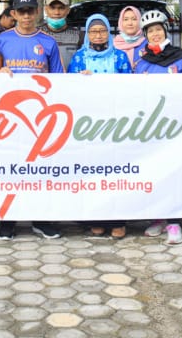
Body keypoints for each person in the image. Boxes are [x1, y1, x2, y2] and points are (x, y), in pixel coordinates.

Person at [0, 0, 64, 240]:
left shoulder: (48, 42)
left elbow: (59, 79)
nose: (27, 16)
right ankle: (7, 221)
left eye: (30, 11)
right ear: (14, 14)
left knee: (39, 168)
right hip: (10, 115)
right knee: (10, 165)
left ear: (37, 12)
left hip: (39, 116)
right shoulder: (2, 40)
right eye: (21, 11)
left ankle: (40, 220)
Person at [68, 13, 132, 240]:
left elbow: (130, 86)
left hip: (115, 122)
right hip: (89, 123)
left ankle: (118, 220)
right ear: (87, 34)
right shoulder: (79, 58)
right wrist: (81, 79)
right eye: (93, 31)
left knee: (115, 171)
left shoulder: (120, 57)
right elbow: (69, 88)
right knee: (93, 170)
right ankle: (96, 219)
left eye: (102, 30)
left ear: (109, 33)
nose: (98, 35)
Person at [134, 9, 182, 244]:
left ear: (165, 31)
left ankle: (174, 222)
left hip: (175, 125)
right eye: (150, 31)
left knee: (173, 172)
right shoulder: (141, 62)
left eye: (158, 29)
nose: (155, 34)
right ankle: (158, 217)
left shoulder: (181, 58)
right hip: (151, 127)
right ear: (145, 35)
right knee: (154, 172)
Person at [40, 0, 81, 69]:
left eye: (61, 8)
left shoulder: (79, 36)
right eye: (52, 8)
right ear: (46, 9)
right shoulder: (37, 34)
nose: (57, 12)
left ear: (68, 10)